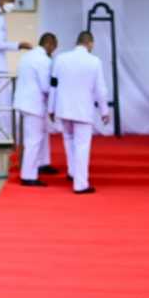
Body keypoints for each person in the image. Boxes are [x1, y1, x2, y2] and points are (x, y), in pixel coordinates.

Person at [48, 31, 110, 194]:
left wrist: (51, 108)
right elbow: (100, 89)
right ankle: (80, 184)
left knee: (68, 140)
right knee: (82, 146)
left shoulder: (61, 59)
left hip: (63, 109)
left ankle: (73, 172)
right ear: (90, 43)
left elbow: (53, 84)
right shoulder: (95, 61)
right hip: (83, 110)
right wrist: (104, 110)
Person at [0, 0, 32, 141]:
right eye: (9, 1)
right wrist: (19, 45)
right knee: (0, 104)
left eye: (13, 1)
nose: (11, 4)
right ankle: (0, 137)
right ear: (0, 0)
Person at [14, 32, 58, 186]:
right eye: (54, 48)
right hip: (34, 104)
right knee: (34, 140)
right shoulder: (43, 60)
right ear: (49, 44)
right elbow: (46, 86)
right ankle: (28, 176)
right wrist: (56, 89)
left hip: (24, 102)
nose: (53, 51)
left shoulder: (27, 56)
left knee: (42, 134)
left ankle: (42, 163)